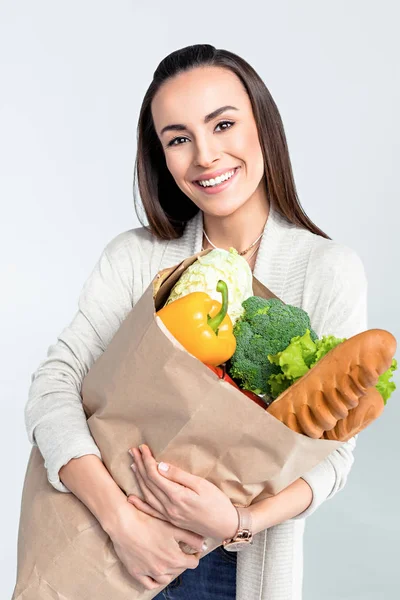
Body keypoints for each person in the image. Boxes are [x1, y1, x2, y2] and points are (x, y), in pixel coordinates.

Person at [24, 44, 367, 600]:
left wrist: (236, 522)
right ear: (161, 157)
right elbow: (51, 387)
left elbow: (334, 452)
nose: (205, 156)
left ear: (263, 128)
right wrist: (121, 521)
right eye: (178, 138)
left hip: (235, 568)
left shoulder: (325, 271)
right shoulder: (134, 258)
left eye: (223, 125)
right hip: (103, 547)